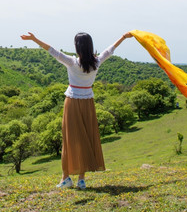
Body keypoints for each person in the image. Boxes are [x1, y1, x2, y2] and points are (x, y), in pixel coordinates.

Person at [20, 31, 133, 189]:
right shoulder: (96, 62)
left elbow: (52, 50)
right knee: (86, 137)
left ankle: (65, 178)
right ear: (90, 46)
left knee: (69, 139)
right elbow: (110, 50)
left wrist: (33, 39)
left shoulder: (72, 62)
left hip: (72, 101)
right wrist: (123, 37)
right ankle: (81, 179)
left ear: (77, 46)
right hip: (88, 102)